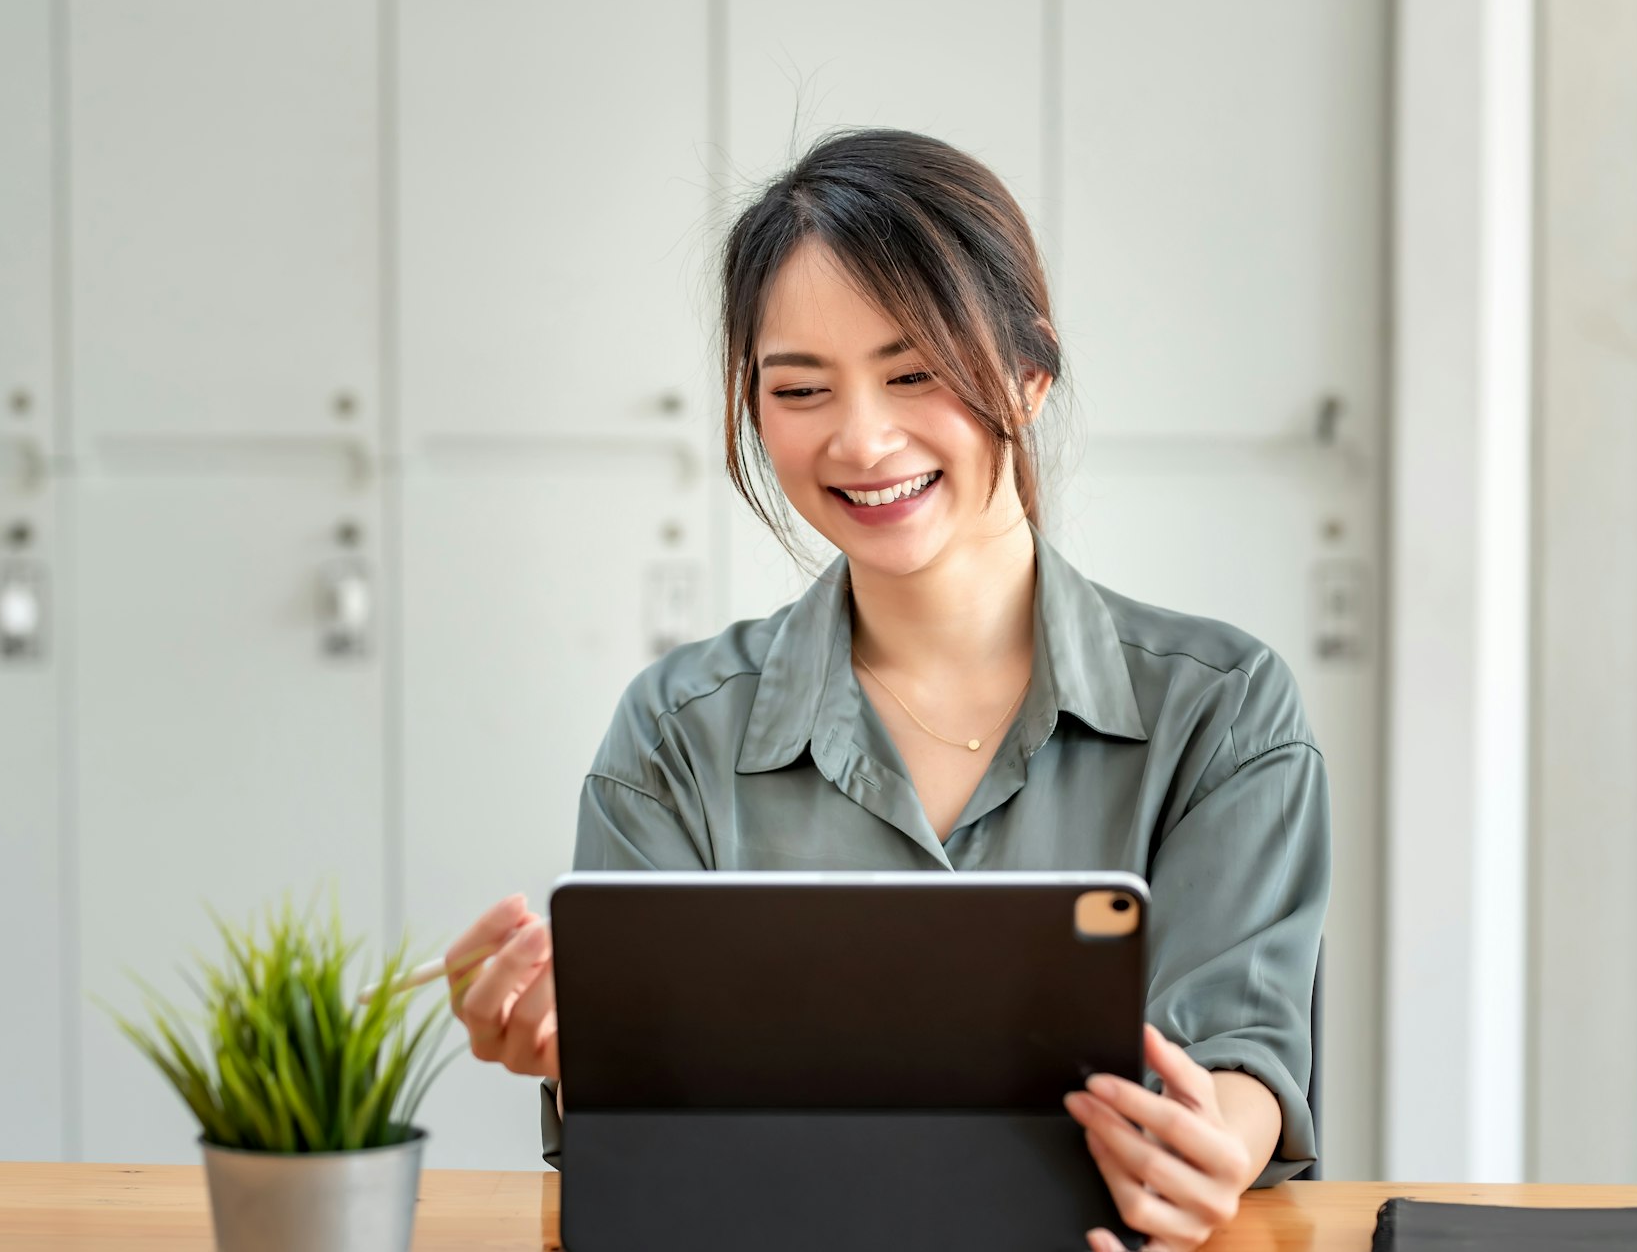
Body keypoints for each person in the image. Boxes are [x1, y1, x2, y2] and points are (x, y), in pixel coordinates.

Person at [444, 129, 1331, 1252]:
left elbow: (1240, 1054)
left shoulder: (1223, 710)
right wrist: (578, 1047)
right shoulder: (674, 731)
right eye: (800, 388)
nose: (861, 440)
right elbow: (642, 1150)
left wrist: (1218, 1143)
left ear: (1028, 372)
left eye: (912, 374)